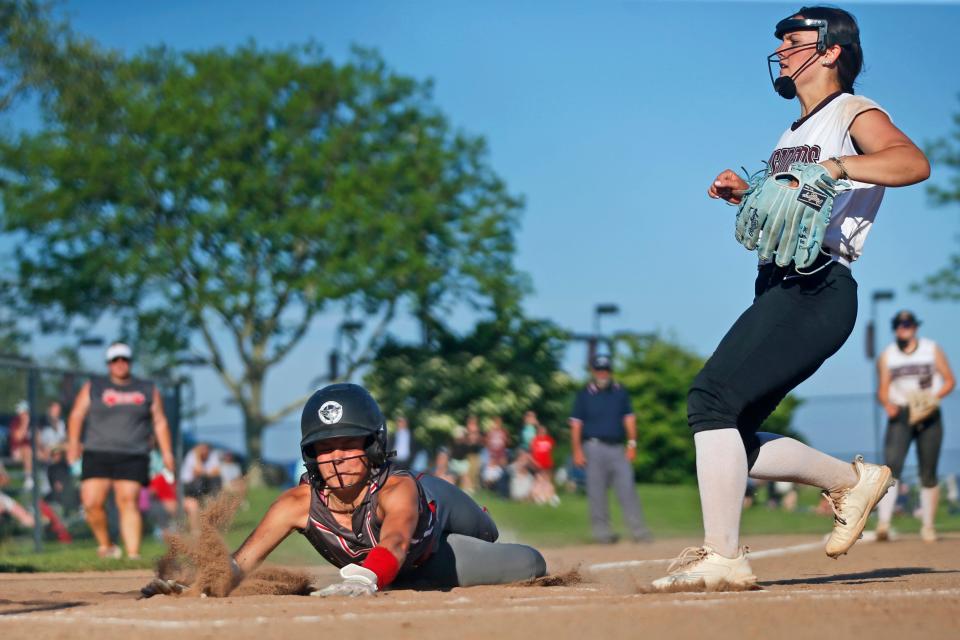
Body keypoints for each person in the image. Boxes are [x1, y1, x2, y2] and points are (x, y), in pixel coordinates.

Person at [653, 6, 930, 590]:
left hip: (818, 287)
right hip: (780, 285)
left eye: (794, 39)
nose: (781, 50)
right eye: (779, 40)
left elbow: (912, 162)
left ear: (831, 52)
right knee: (732, 433)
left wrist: (834, 165)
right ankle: (852, 482)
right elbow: (800, 201)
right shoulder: (792, 132)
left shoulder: (853, 111)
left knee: (710, 398)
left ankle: (723, 556)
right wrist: (749, 192)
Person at [140, 383, 546, 598]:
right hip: (411, 574)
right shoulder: (297, 504)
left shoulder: (396, 489)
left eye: (348, 444)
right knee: (407, 581)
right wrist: (197, 585)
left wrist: (370, 576)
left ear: (373, 446)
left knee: (529, 563)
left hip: (435, 542)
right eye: (323, 448)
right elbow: (239, 564)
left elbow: (399, 536)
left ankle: (484, 524)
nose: (335, 458)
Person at [67, 342, 175, 560]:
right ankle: (106, 545)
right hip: (97, 452)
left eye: (124, 359)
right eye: (115, 360)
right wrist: (72, 443)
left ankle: (133, 554)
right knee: (91, 503)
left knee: (128, 501)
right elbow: (77, 415)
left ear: (130, 362)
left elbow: (160, 422)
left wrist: (167, 453)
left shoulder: (147, 389)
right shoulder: (93, 386)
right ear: (108, 364)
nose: (120, 364)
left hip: (133, 453)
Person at [874, 310, 955, 542]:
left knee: (928, 470)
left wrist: (933, 399)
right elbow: (883, 389)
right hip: (901, 412)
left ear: (915, 327)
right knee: (891, 467)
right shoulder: (888, 355)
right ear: (895, 328)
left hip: (928, 412)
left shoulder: (931, 349)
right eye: (899, 324)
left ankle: (928, 526)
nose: (904, 328)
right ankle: (884, 524)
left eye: (908, 324)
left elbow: (950, 380)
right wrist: (887, 404)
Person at [570, 354, 652, 543]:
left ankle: (639, 531)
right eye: (599, 370)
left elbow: (629, 419)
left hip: (617, 448)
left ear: (610, 371)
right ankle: (602, 534)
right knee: (596, 492)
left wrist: (632, 444)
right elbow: (576, 425)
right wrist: (577, 451)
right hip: (592, 447)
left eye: (605, 370)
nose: (602, 374)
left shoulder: (620, 392)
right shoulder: (584, 394)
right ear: (593, 372)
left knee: (627, 488)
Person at [181, 442, 223, 531]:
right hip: (190, 486)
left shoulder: (212, 454)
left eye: (205, 448)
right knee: (194, 505)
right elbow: (198, 471)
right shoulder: (192, 456)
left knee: (216, 480)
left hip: (204, 485)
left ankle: (213, 499)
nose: (204, 451)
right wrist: (197, 456)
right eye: (201, 448)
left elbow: (217, 472)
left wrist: (205, 473)